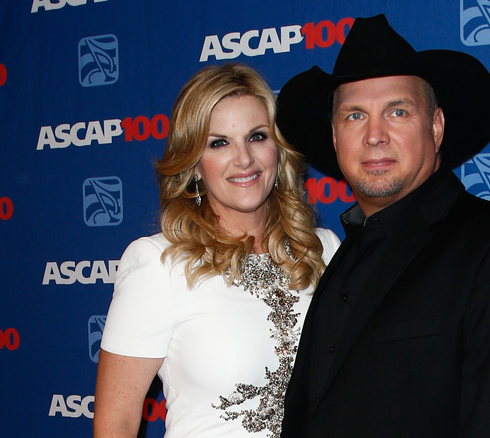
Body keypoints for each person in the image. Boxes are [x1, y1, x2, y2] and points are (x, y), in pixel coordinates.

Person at [274, 14, 490, 437]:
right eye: (355, 116)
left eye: (397, 111)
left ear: (436, 126)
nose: (374, 135)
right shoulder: (342, 256)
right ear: (336, 136)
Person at [93, 63, 341, 438]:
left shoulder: (323, 249)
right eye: (219, 142)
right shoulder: (159, 265)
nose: (244, 159)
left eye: (257, 136)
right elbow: (116, 424)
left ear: (279, 148)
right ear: (194, 163)